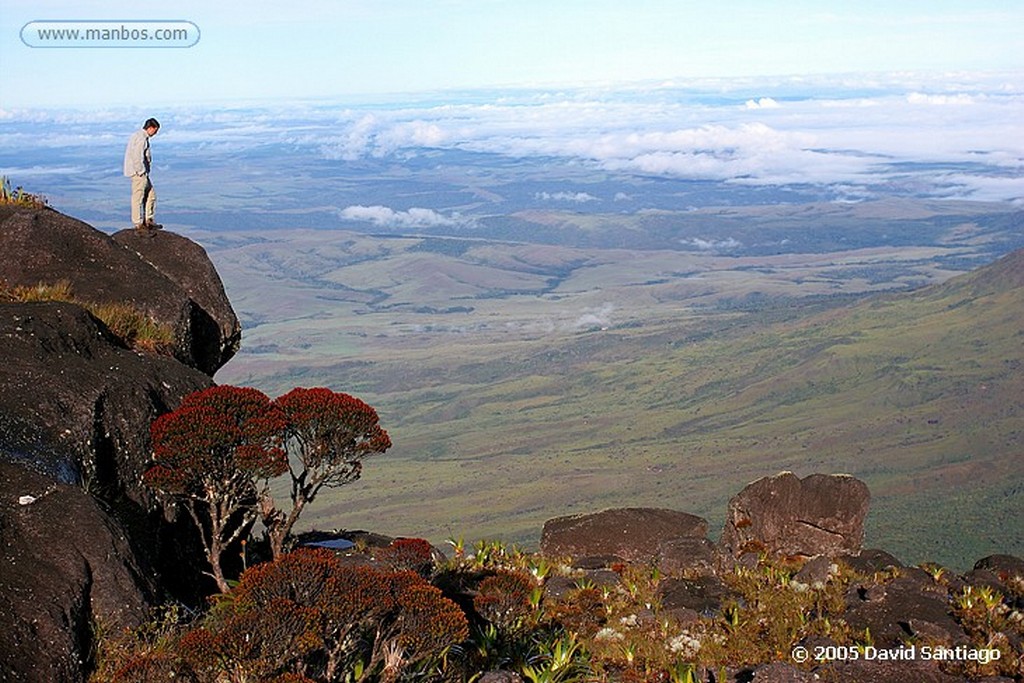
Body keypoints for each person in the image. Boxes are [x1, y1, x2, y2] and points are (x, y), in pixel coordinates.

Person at [123, 118, 162, 231]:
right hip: (139, 173)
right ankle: (138, 223)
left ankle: (148, 219)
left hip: (141, 172)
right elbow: (137, 156)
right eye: (155, 130)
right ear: (150, 128)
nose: (155, 133)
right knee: (138, 197)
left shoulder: (138, 136)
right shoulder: (141, 138)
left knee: (151, 195)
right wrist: (140, 171)